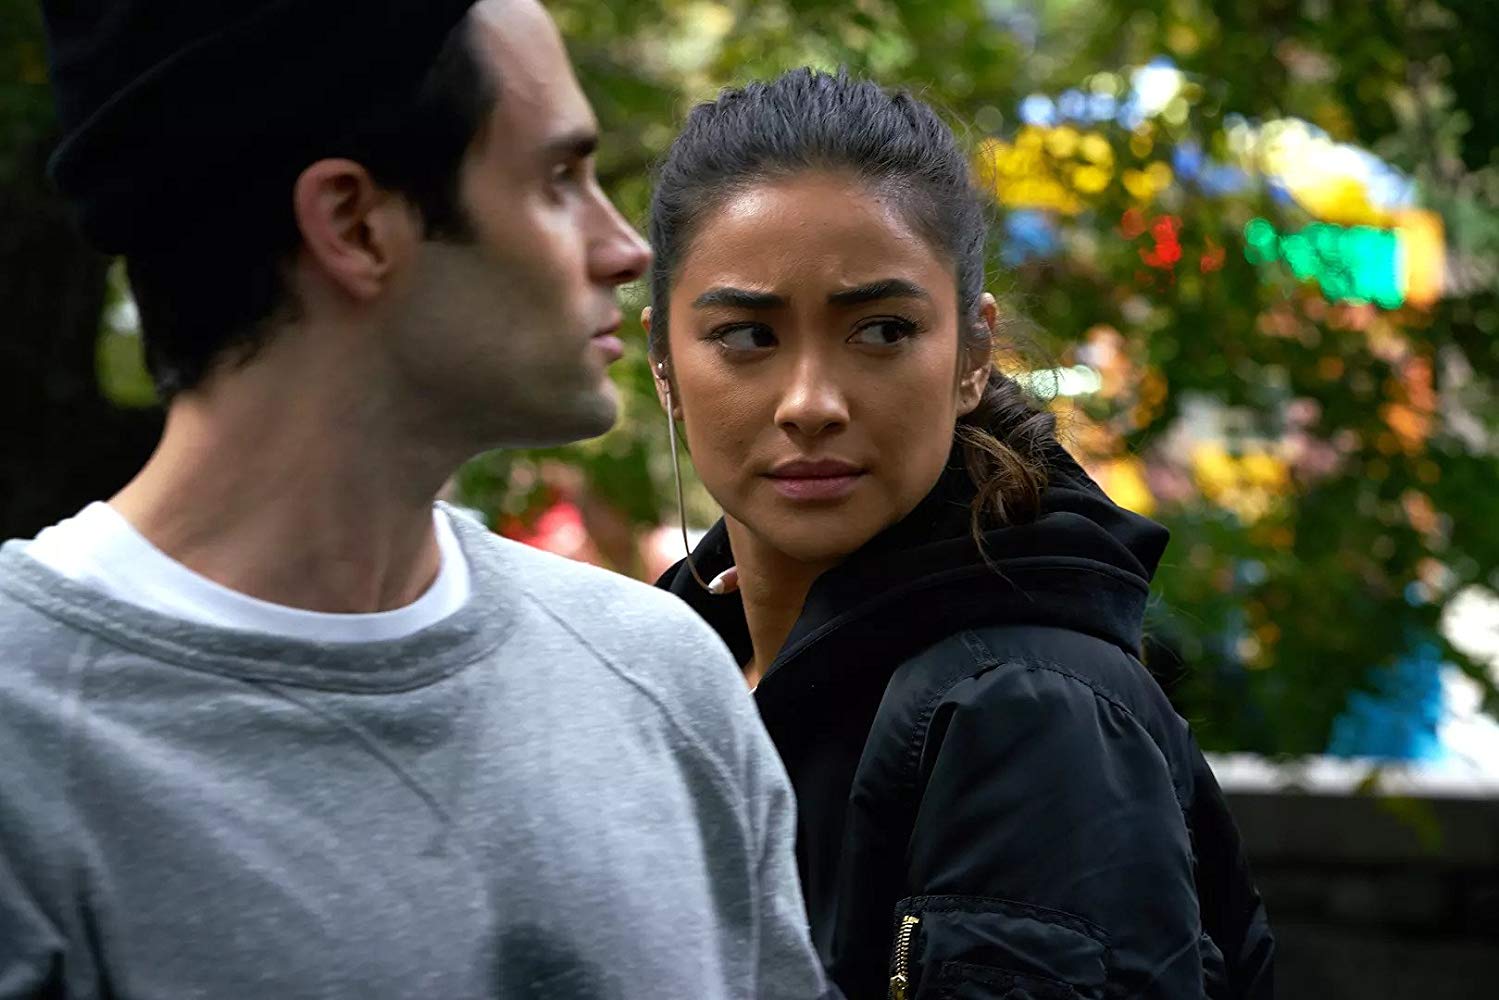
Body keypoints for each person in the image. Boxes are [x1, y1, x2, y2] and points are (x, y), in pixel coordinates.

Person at [0, 3, 833, 998]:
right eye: (557, 180)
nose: (625, 250)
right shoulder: (24, 739)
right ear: (355, 225)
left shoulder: (663, 676)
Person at [649, 69, 1276, 999]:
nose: (810, 403)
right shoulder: (662, 665)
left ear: (972, 355)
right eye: (746, 336)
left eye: (881, 331)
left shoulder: (1022, 706)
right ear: (662, 363)